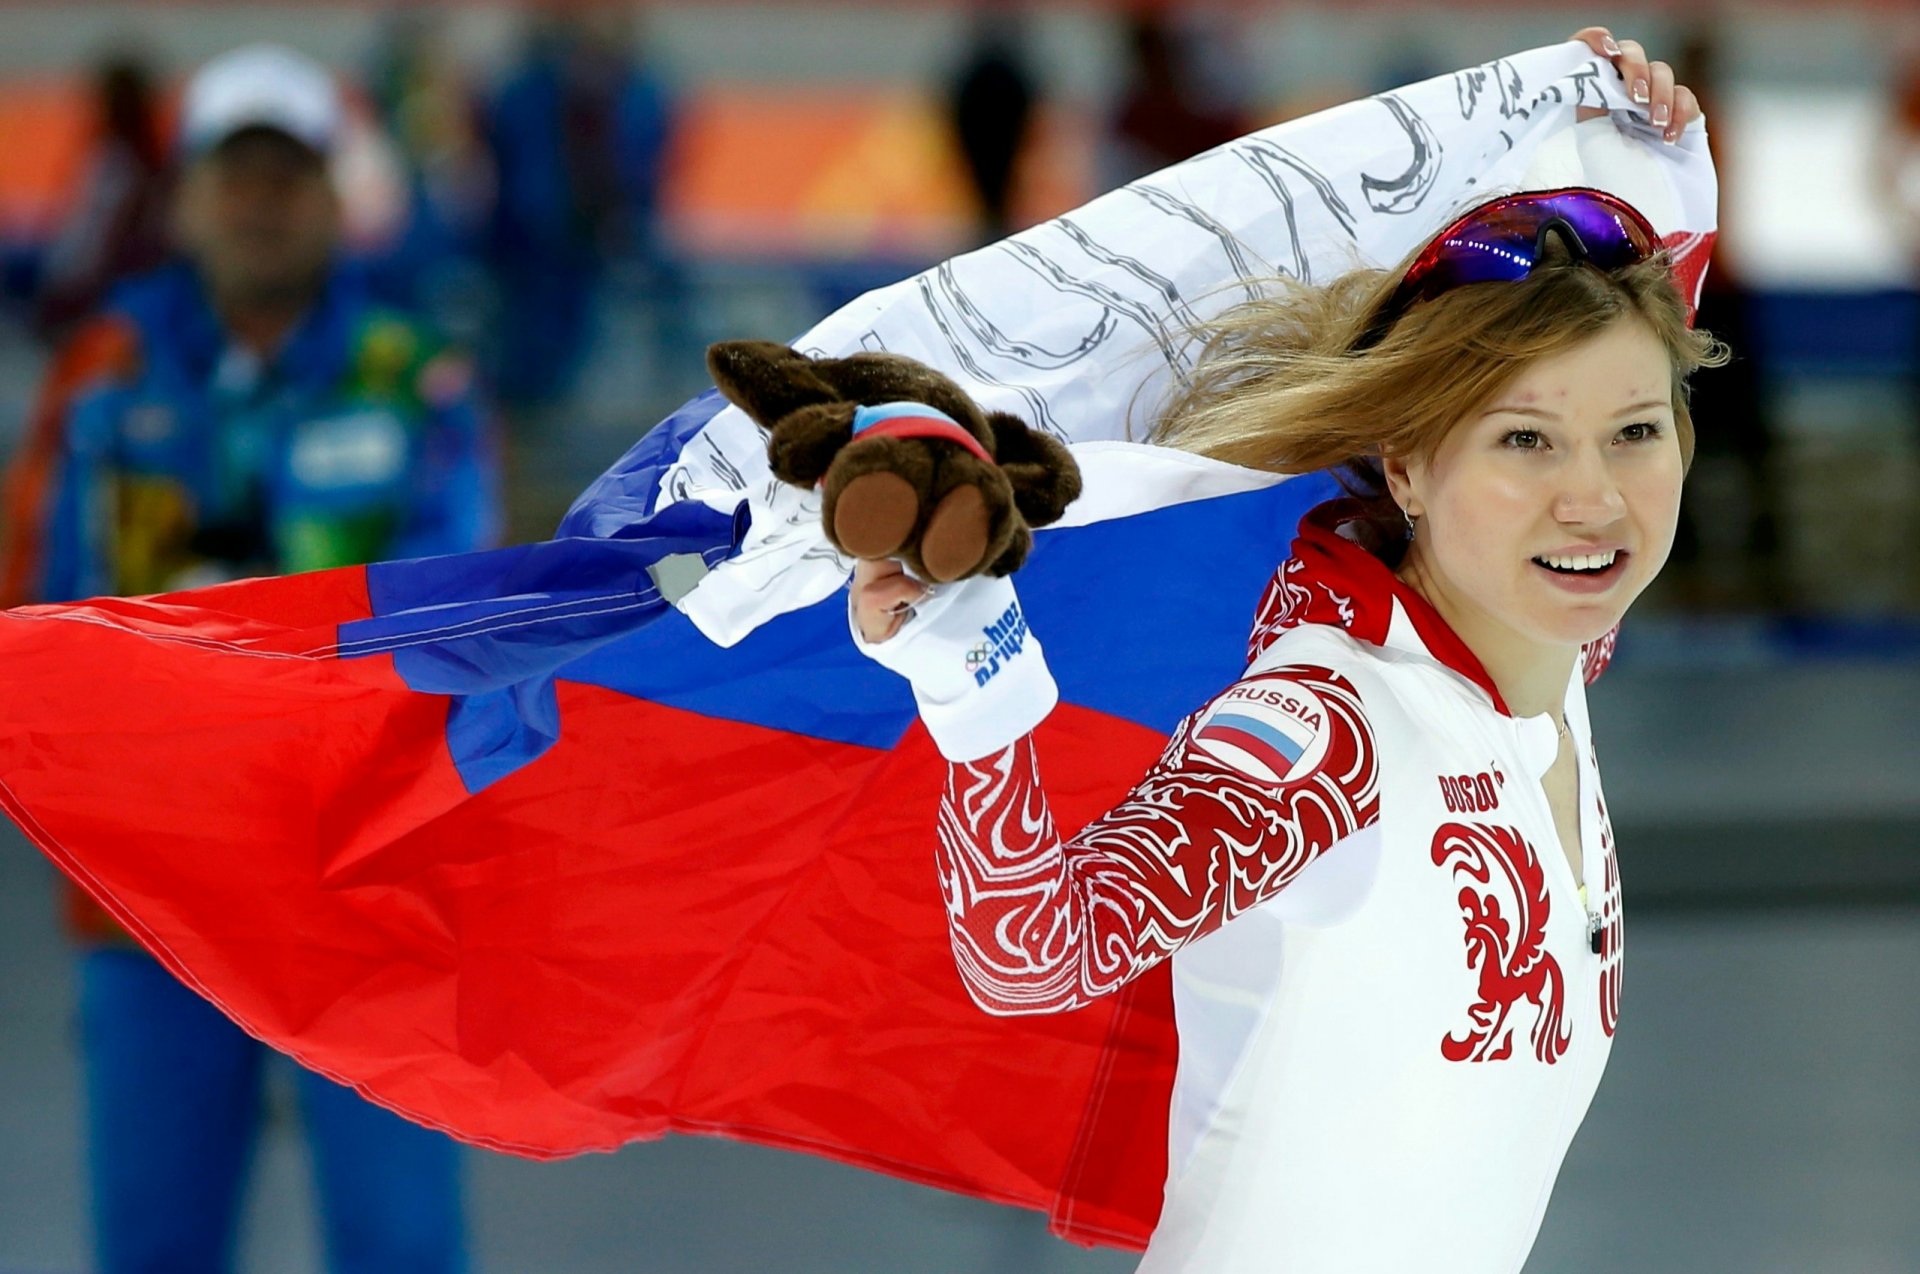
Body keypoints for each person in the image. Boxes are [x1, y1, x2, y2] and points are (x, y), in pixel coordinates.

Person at [848, 29, 1718, 1273]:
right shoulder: (1328, 733)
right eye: (1524, 442)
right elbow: (1032, 951)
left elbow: (1641, 344)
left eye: (1636, 433)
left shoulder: (1549, 658)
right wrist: (970, 678)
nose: (1595, 500)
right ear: (1409, 466)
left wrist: (1650, 148)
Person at [0, 44, 496, 1274]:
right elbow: (42, 615)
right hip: (157, 900)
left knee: (404, 1246)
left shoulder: (416, 383)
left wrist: (238, 657)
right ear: (186, 198)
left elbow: (464, 618)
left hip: (367, 885)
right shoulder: (103, 377)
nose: (260, 202)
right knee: (155, 1244)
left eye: (288, 174)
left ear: (335, 196)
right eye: (237, 173)